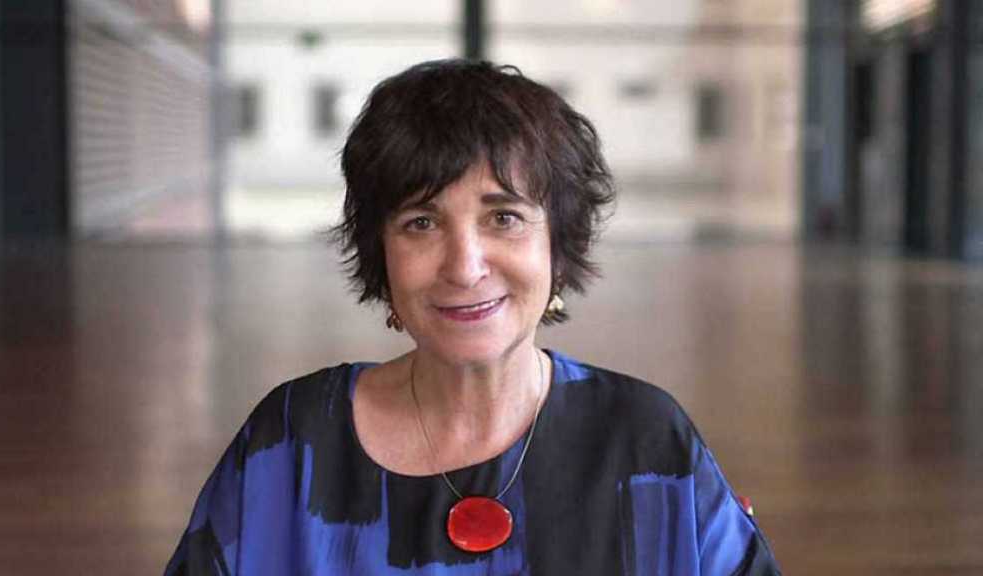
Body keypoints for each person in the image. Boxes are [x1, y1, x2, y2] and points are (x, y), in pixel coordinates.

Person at [165, 59, 780, 575]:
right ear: (381, 254)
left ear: (558, 244)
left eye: (503, 217)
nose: (464, 267)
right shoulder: (291, 443)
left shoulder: (646, 439)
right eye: (421, 223)